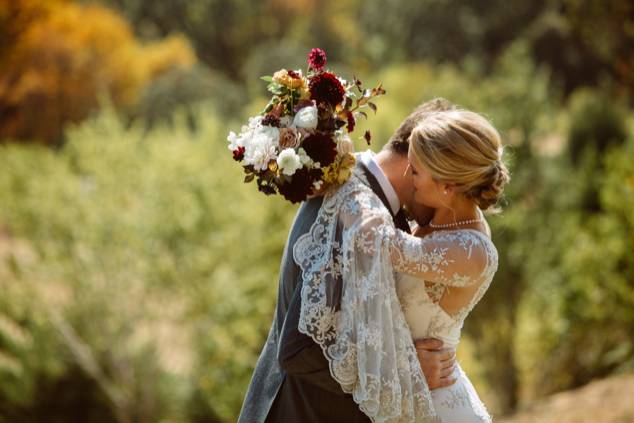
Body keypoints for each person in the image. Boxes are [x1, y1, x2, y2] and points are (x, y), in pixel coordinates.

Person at [237, 98, 458, 423]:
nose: (452, 205)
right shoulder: (354, 206)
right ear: (420, 161)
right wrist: (405, 370)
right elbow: (299, 351)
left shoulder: (368, 200)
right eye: (451, 185)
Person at [394, 109, 511, 421]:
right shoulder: (444, 217)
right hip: (410, 393)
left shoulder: (471, 250)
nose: (407, 177)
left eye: (415, 170)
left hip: (436, 404)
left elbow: (378, 244)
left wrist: (343, 183)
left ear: (447, 185)